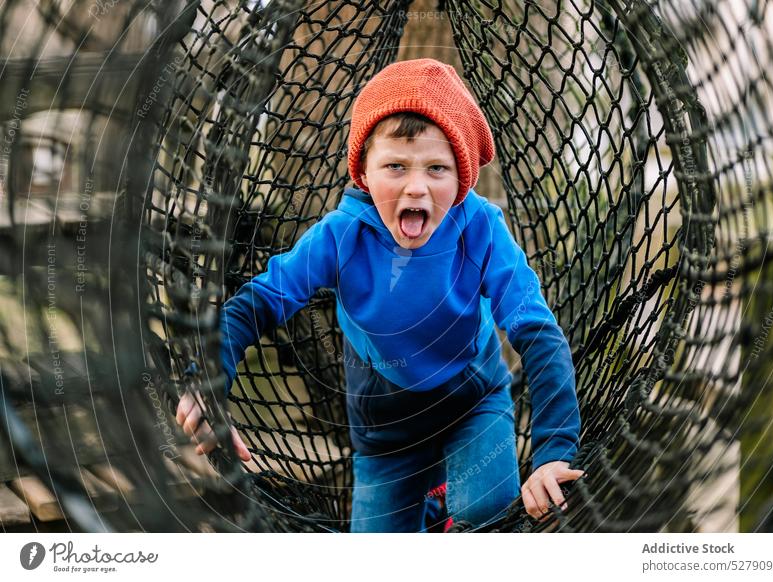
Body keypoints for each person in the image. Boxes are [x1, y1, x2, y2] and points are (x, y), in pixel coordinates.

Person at [176, 58, 583, 532]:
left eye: (437, 168)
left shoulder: (480, 228)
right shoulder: (341, 235)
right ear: (364, 173)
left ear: (461, 179)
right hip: (384, 433)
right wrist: (207, 378)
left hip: (472, 404)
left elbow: (539, 331)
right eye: (395, 165)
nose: (416, 186)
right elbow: (258, 302)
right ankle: (431, 499)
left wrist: (553, 453)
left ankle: (451, 498)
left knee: (486, 511)